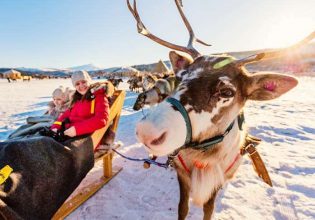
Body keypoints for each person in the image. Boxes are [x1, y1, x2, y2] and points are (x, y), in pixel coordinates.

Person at [50, 70, 109, 138]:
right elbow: (66, 115)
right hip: (69, 132)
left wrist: (76, 130)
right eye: (77, 84)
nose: (81, 85)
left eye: (83, 82)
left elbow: (101, 120)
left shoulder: (98, 96)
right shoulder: (77, 98)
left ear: (89, 81)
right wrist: (55, 127)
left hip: (86, 136)